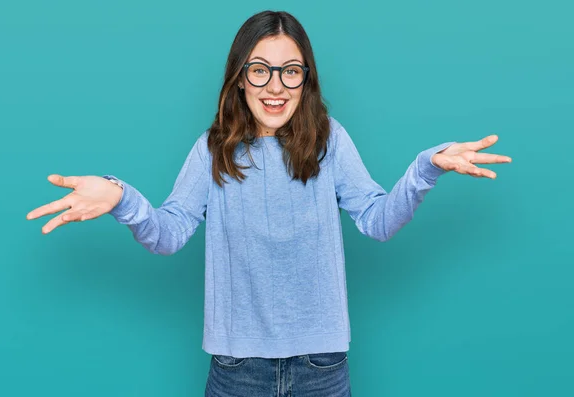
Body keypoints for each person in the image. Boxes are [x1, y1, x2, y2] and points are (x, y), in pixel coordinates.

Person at [26, 10, 511, 397]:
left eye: (290, 71)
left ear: (306, 79)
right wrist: (120, 196)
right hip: (237, 369)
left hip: (322, 365)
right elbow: (168, 234)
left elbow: (378, 221)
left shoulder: (329, 142)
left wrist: (427, 167)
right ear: (240, 78)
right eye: (260, 71)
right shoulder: (212, 150)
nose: (275, 86)